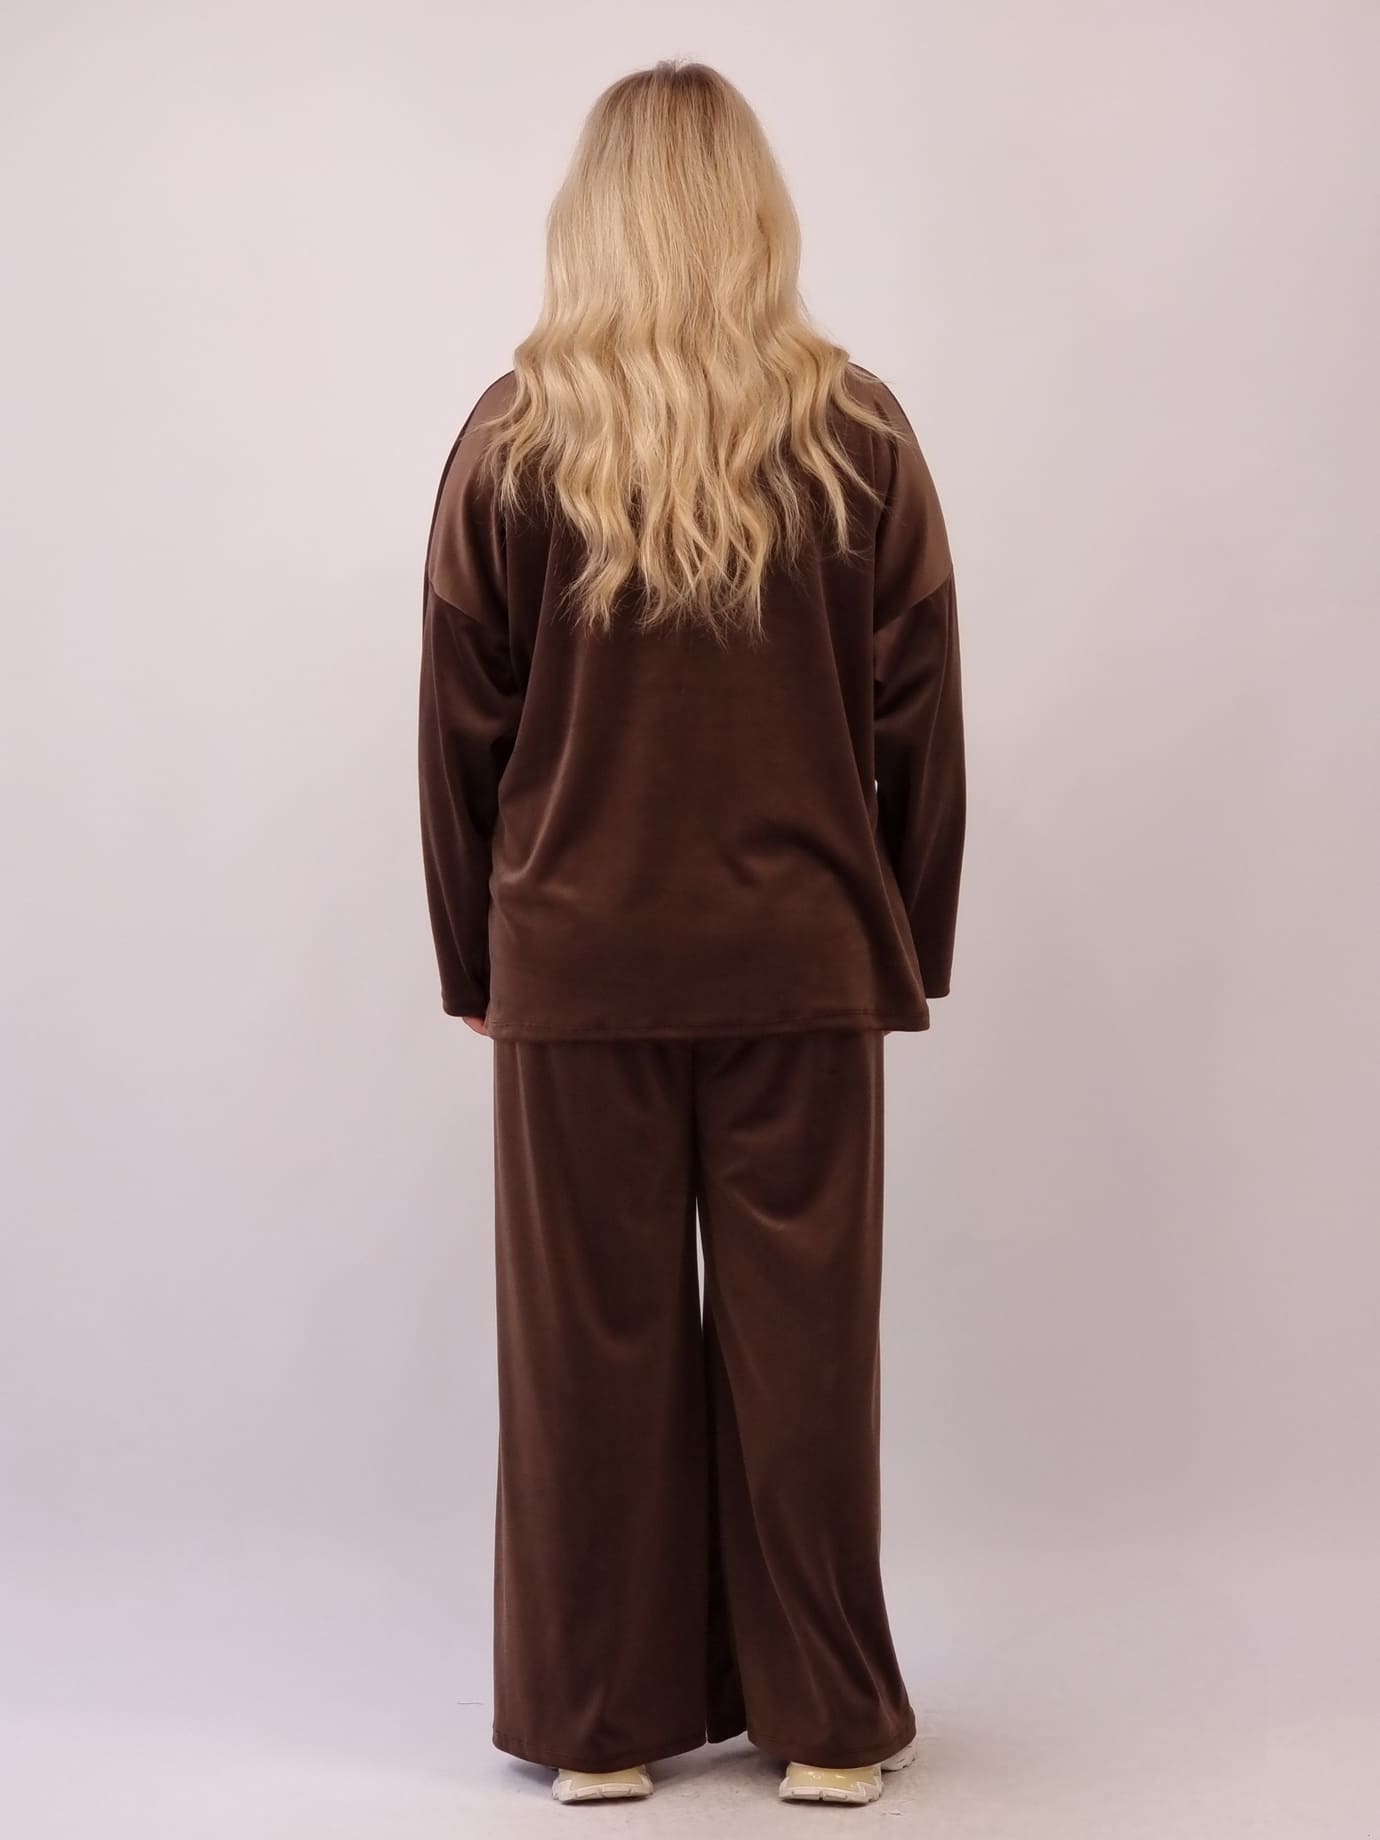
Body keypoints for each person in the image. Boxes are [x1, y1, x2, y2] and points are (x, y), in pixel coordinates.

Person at [417, 58, 965, 1809]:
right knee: (808, 1358)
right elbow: (919, 709)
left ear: (592, 218)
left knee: (585, 1358)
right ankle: (829, 1726)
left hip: (577, 967)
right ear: (754, 216)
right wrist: (906, 940)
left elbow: (460, 729)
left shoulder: (511, 441)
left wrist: (477, 962)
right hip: (802, 960)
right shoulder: (858, 434)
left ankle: (598, 1727)